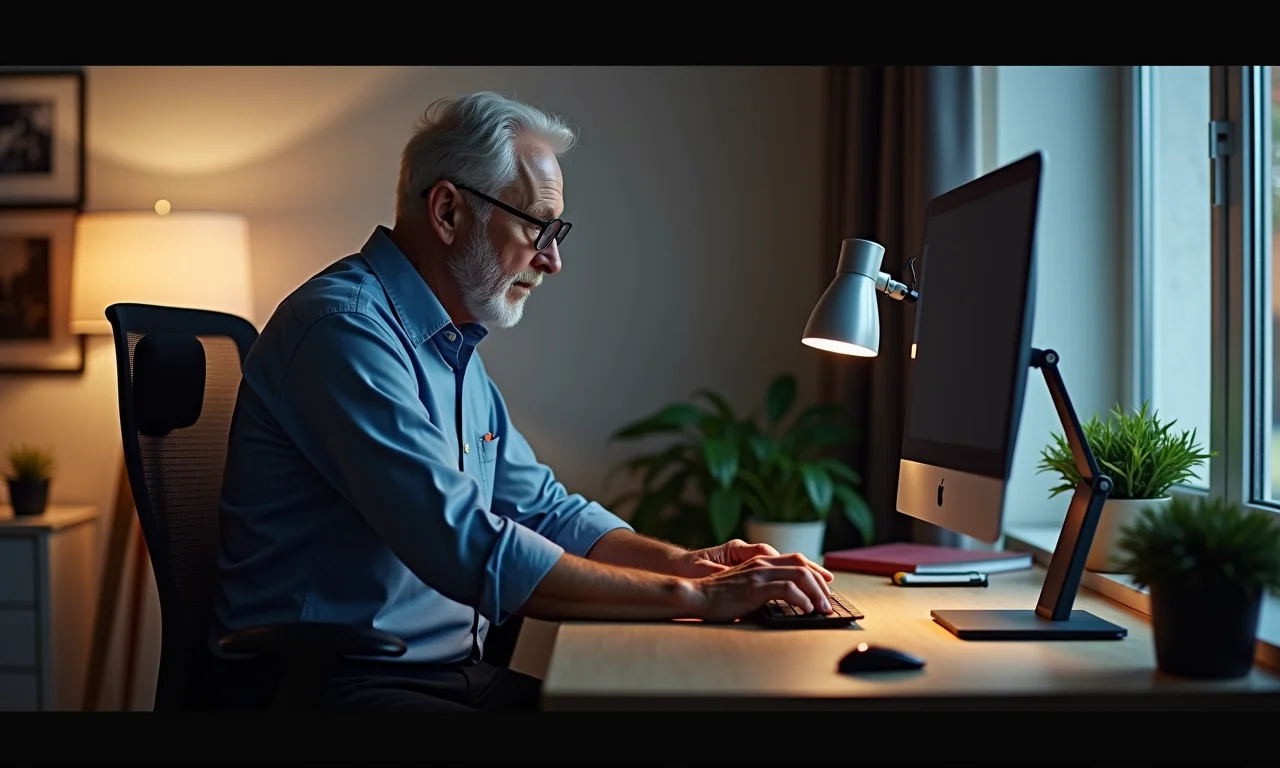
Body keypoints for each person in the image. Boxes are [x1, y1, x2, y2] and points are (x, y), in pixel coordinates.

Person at [211, 91, 835, 713]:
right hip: (328, 687)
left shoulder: (450, 347)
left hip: (439, 675)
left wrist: (695, 567)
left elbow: (545, 511)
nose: (553, 259)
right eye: (537, 225)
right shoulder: (343, 330)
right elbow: (461, 543)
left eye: (556, 231)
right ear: (449, 211)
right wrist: (696, 598)